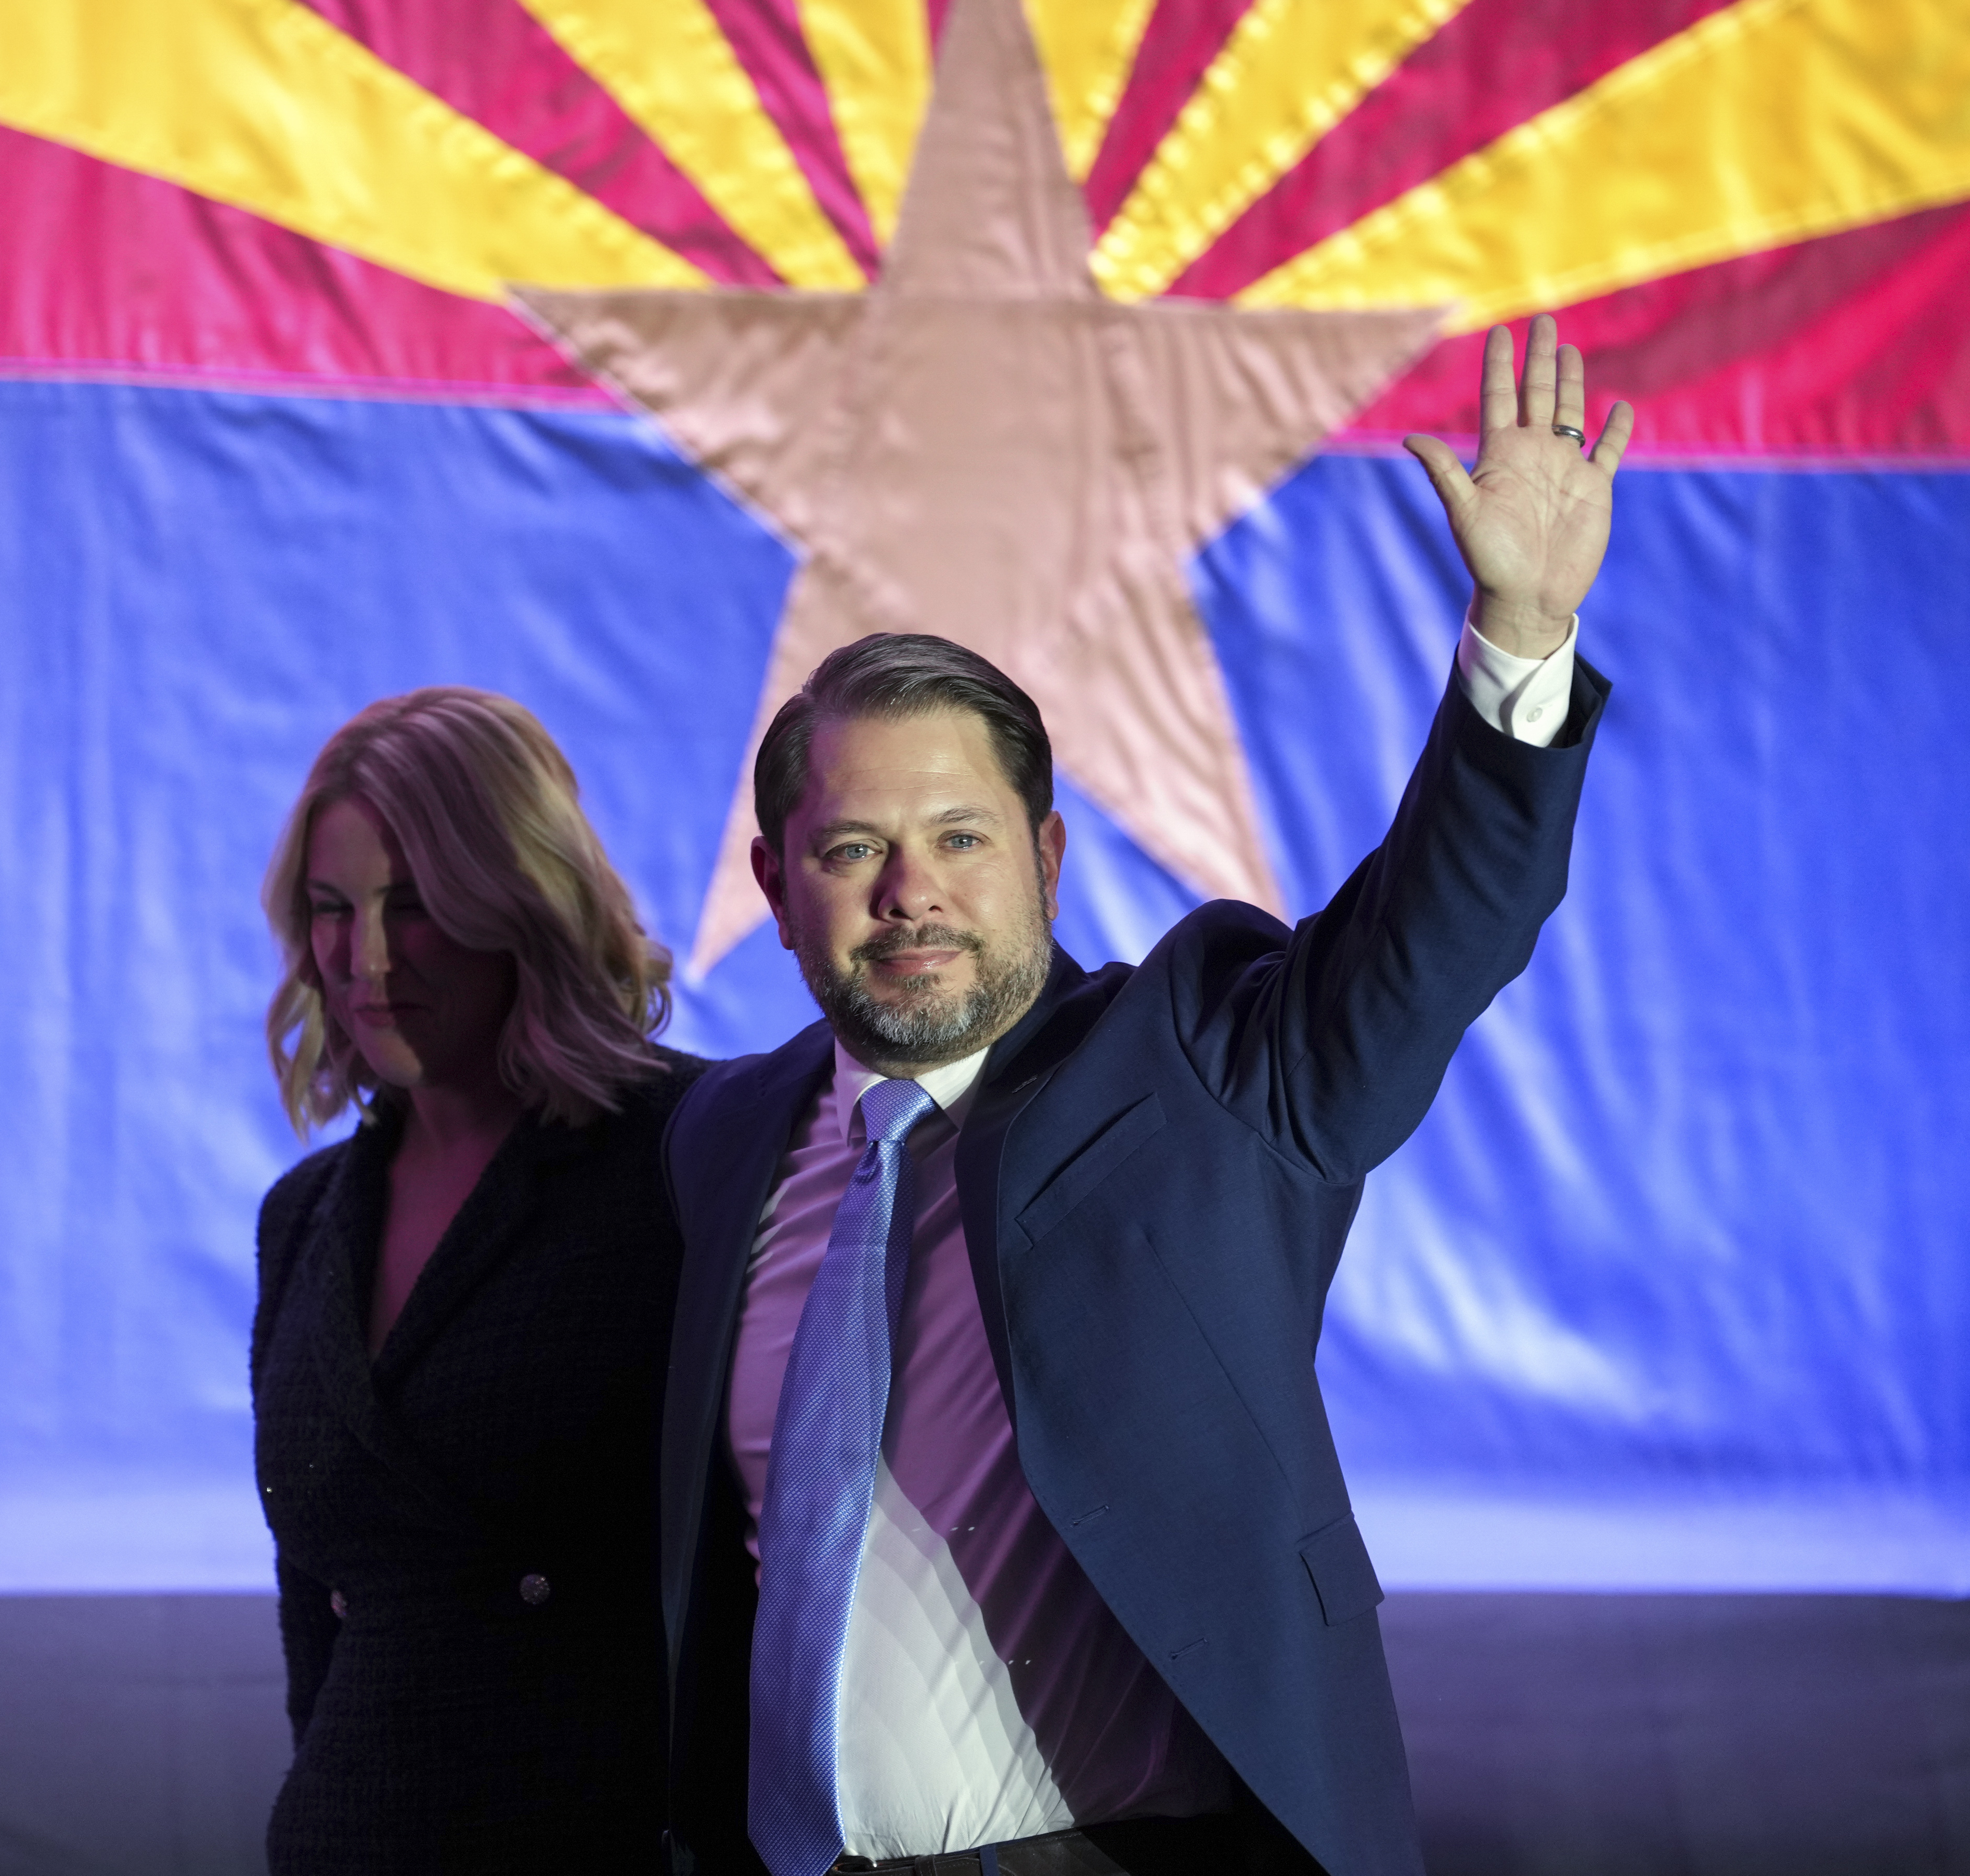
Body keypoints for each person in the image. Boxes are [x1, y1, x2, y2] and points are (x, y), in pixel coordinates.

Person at [657, 316, 1634, 1876]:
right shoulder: (713, 1145)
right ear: (775, 885)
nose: (912, 893)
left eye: (963, 840)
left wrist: (1516, 640)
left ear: (1045, 859)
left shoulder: (1202, 1068)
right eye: (853, 851)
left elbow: (1427, 944)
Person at [248, 686, 705, 1872]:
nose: (368, 958)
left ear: (522, 899)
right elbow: (319, 1624)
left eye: (418, 904)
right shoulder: (302, 1223)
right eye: (333, 910)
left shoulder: (688, 1149)